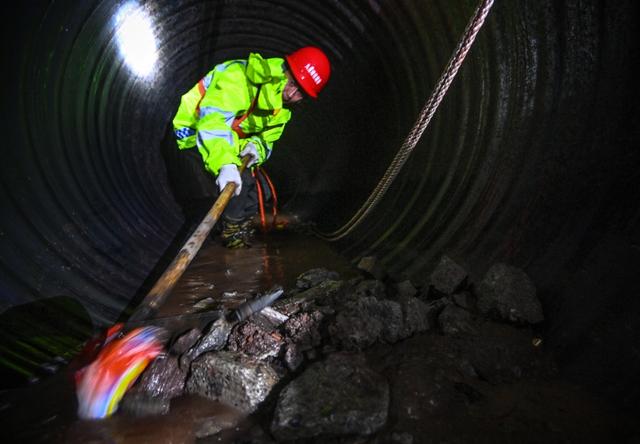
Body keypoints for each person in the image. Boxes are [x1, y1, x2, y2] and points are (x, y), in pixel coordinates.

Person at [163, 46, 331, 248]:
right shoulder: (239, 77)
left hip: (228, 140)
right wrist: (226, 164)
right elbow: (212, 124)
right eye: (293, 83)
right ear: (285, 69)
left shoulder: (283, 111)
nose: (291, 94)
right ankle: (229, 234)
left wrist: (255, 148)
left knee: (261, 190)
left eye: (300, 93)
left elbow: (267, 140)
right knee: (234, 190)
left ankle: (237, 227)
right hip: (192, 132)